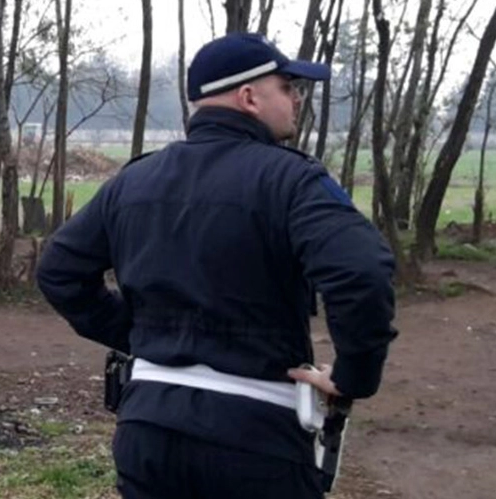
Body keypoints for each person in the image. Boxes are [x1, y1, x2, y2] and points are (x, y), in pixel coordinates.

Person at [36, 32, 397, 499]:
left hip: (148, 429)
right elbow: (362, 272)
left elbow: (59, 271)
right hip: (257, 436)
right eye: (287, 87)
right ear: (249, 97)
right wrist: (354, 376)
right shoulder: (292, 180)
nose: (297, 99)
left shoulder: (134, 181)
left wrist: (141, 335)